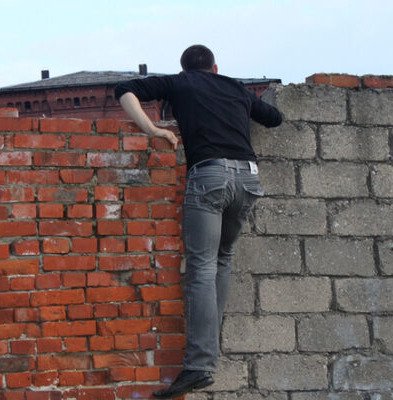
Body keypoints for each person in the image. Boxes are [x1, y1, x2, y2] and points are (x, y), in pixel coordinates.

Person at [114, 44, 283, 399]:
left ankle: (199, 365)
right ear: (216, 68)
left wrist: (152, 129)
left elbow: (124, 90)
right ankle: (209, 347)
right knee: (222, 259)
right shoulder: (236, 87)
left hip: (210, 176)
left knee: (202, 267)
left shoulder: (180, 83)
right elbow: (274, 117)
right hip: (249, 180)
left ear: (185, 69)